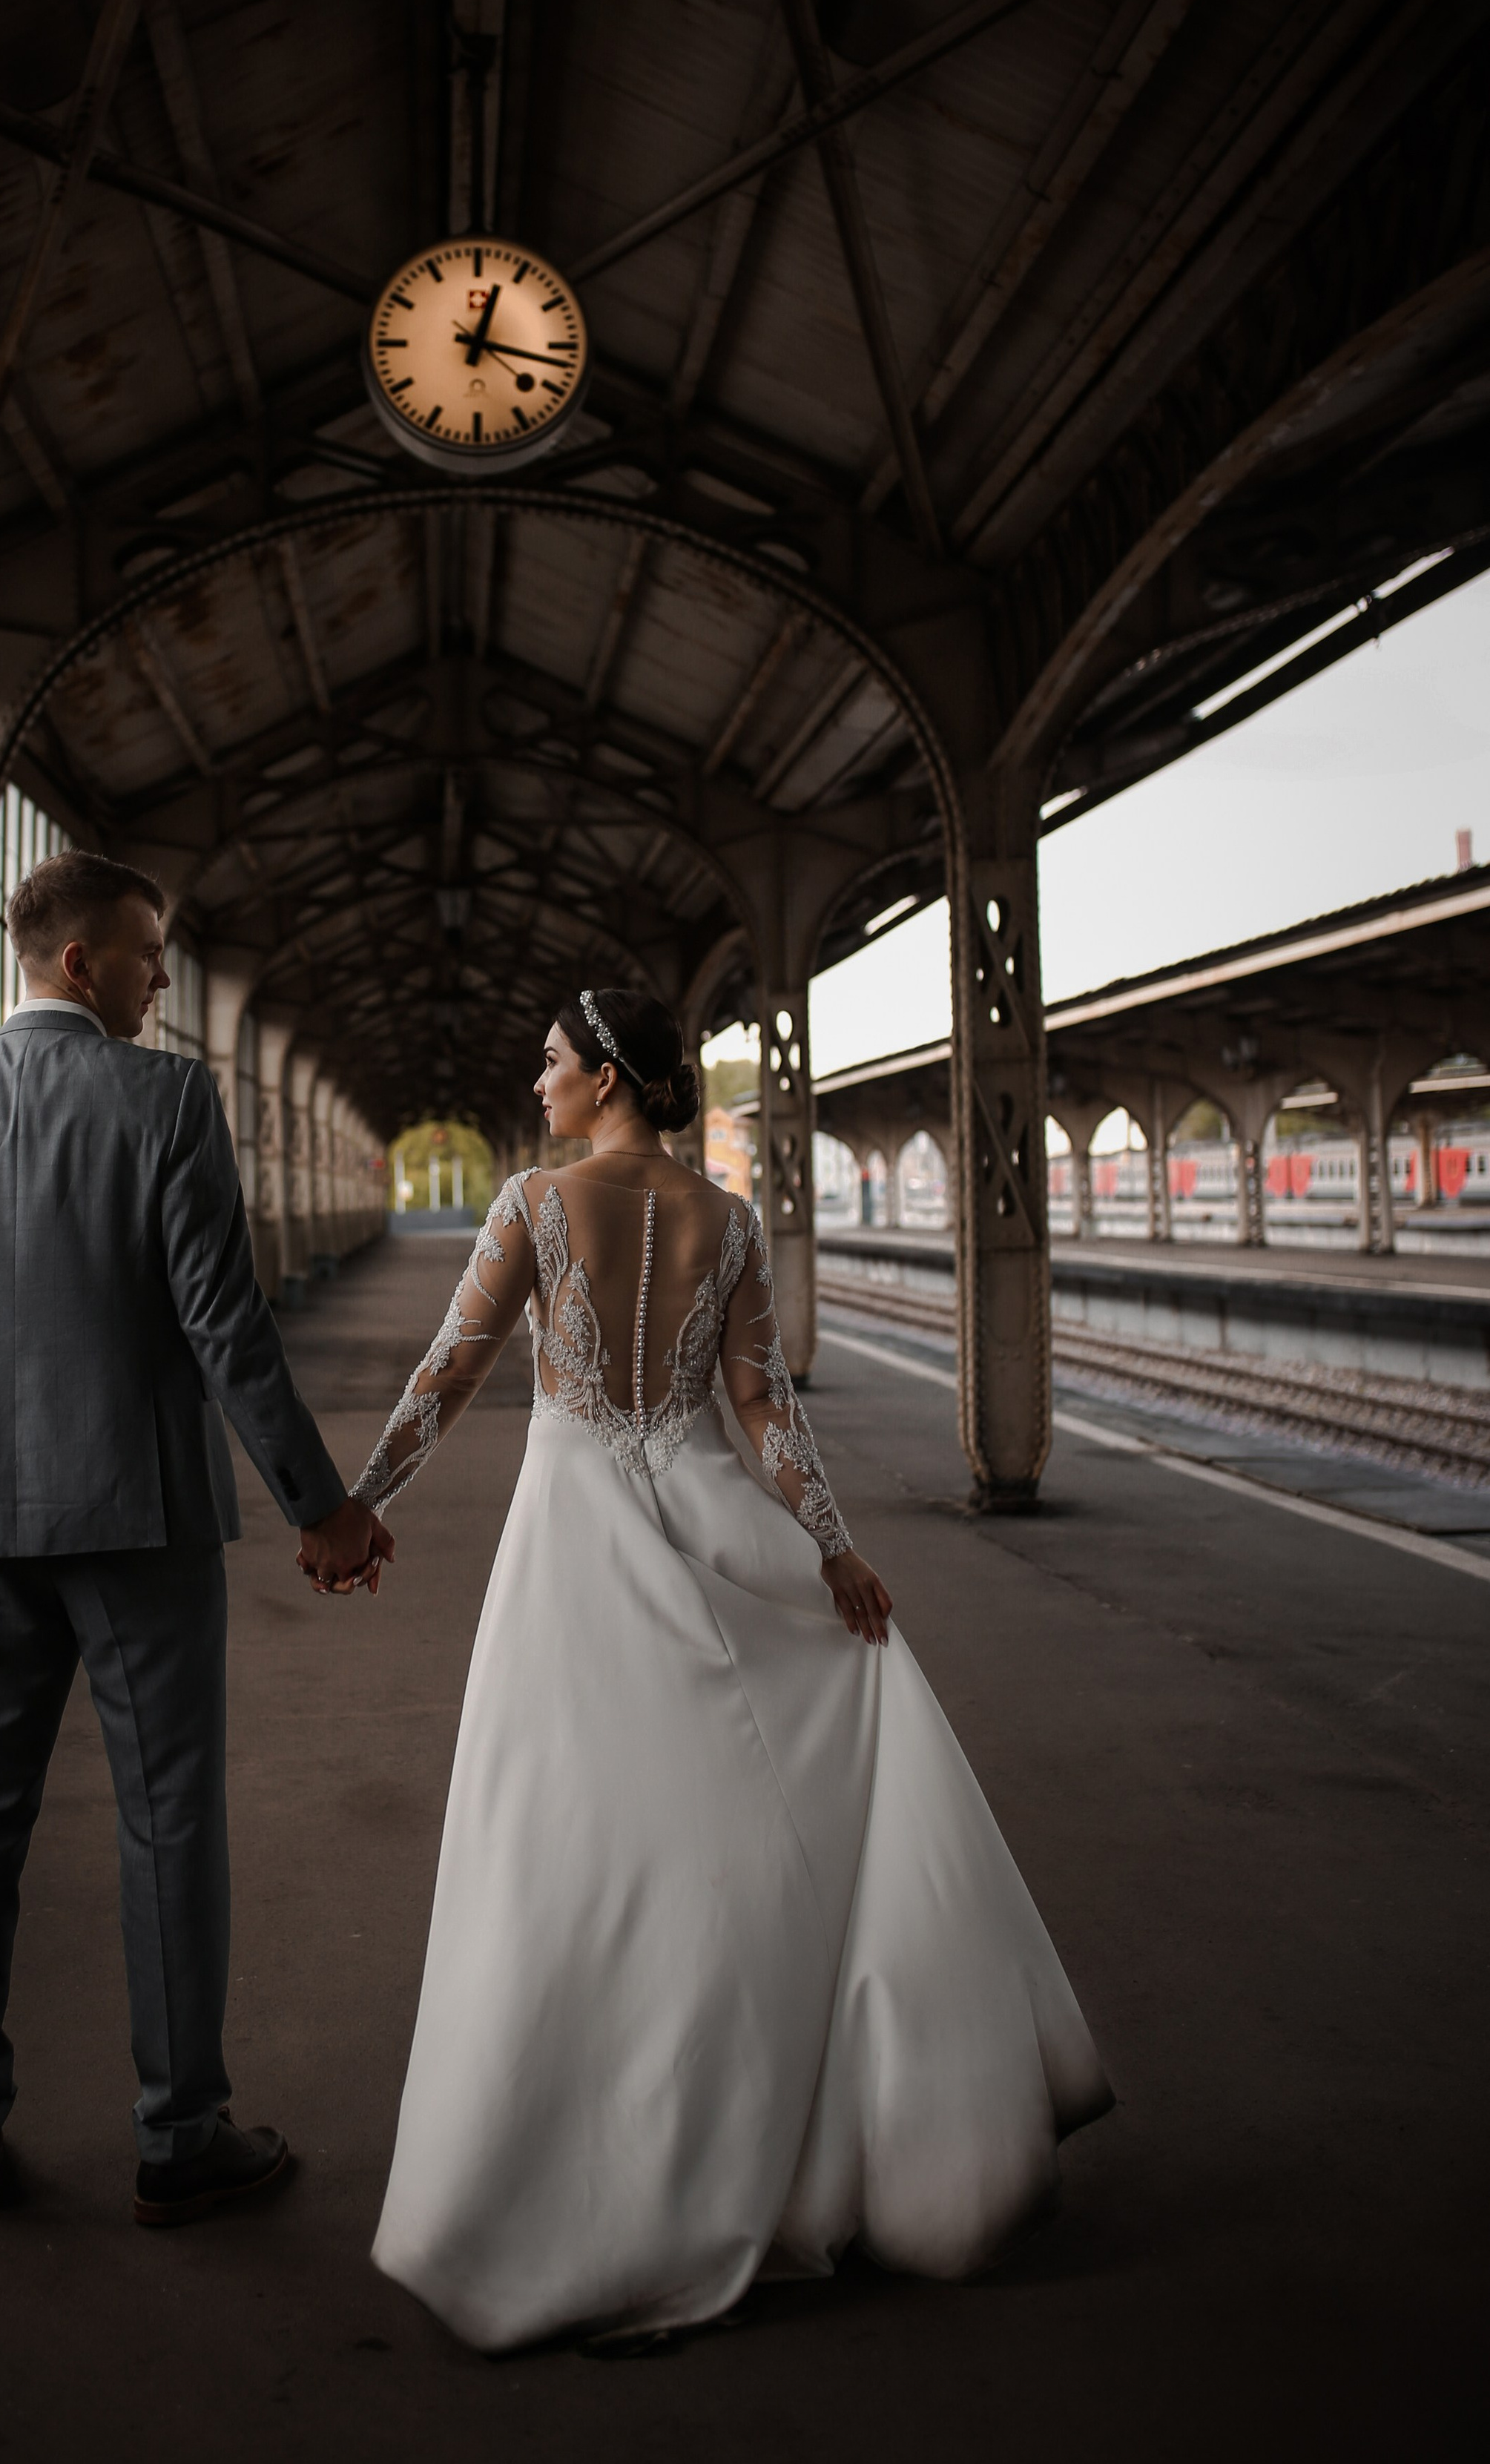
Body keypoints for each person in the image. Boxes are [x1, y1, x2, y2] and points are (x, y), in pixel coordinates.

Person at [343, 989, 1112, 2351]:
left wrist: (364, 1503)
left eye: (552, 1062)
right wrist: (834, 1551)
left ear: (606, 1079)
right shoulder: (732, 1222)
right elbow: (764, 1409)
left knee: (558, 1844)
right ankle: (768, 2127)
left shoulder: (532, 1205)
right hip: (712, 1522)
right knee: (739, 1833)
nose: (537, 1080)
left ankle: (574, 2172)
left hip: (573, 1544)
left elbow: (454, 1370)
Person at [0, 850, 391, 2223]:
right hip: (138, 1518)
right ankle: (179, 2136)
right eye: (148, 951)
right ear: (80, 962)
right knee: (168, 1826)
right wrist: (320, 1506)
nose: (164, 975)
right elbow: (226, 1323)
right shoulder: (164, 1099)